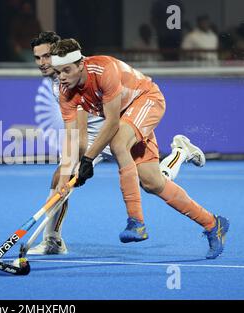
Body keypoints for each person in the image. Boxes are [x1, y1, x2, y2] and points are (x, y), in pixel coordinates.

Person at [28, 32, 207, 255]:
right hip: (100, 138)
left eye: (46, 56)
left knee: (152, 183)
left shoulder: (82, 76)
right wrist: (65, 178)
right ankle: (53, 241)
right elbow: (74, 136)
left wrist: (84, 161)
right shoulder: (62, 84)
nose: (42, 63)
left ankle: (180, 152)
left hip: (116, 130)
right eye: (38, 58)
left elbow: (81, 136)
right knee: (59, 179)